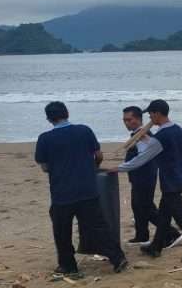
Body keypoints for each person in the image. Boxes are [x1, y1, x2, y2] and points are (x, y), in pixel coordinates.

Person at [35, 101, 128, 275]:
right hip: (87, 189)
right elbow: (98, 155)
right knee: (99, 227)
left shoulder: (45, 139)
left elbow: (45, 167)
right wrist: (92, 167)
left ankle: (68, 265)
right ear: (67, 113)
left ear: (49, 119)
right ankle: (118, 258)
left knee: (62, 231)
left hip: (62, 192)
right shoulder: (84, 130)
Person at [115, 99, 182, 264]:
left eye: (151, 114)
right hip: (178, 177)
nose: (150, 117)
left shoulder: (163, 135)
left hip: (171, 182)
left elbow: (144, 157)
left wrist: (118, 168)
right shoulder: (176, 129)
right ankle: (156, 246)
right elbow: (156, 147)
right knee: (164, 215)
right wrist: (144, 138)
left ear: (157, 114)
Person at [122, 106, 182, 248]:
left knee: (147, 208)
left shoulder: (144, 135)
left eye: (129, 120)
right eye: (124, 120)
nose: (126, 123)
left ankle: (172, 233)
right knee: (137, 206)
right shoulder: (136, 135)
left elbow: (146, 157)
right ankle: (141, 235)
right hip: (137, 176)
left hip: (145, 176)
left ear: (138, 119)